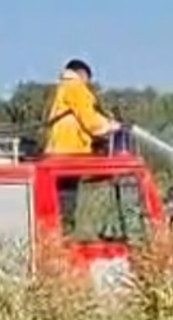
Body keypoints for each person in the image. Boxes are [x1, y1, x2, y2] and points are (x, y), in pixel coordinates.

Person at [44, 59, 121, 233]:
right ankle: (65, 234)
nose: (88, 84)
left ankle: (60, 234)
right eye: (88, 80)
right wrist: (112, 126)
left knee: (61, 199)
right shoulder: (75, 88)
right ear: (81, 74)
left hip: (58, 153)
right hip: (70, 153)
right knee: (67, 200)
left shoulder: (61, 90)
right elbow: (91, 120)